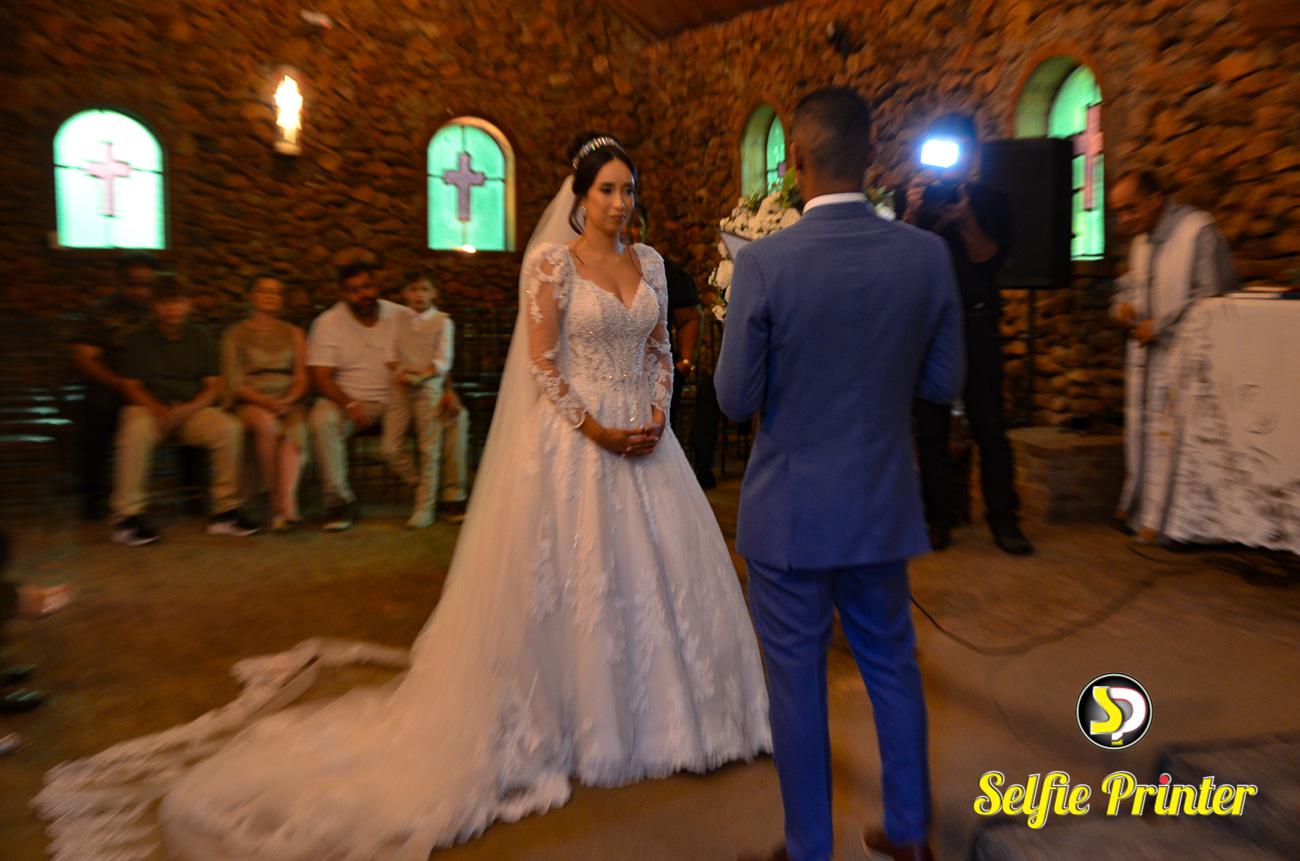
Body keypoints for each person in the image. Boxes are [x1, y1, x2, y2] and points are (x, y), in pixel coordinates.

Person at [38, 134, 770, 860]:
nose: (619, 202)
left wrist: (656, 411)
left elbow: (659, 348)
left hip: (646, 441)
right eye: (606, 189)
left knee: (655, 577)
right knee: (579, 579)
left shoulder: (648, 263)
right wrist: (598, 428)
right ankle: (583, 720)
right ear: (579, 196)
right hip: (581, 445)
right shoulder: (552, 264)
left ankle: (673, 716)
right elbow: (543, 364)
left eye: (628, 189)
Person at [719, 87, 962, 861]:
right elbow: (943, 380)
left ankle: (809, 846)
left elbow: (734, 398)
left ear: (795, 161)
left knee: (797, 684)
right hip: (881, 502)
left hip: (790, 513)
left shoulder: (764, 262)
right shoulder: (925, 255)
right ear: (873, 155)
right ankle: (911, 832)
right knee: (891, 664)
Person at [900, 113, 1033, 556]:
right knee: (930, 430)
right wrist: (915, 212)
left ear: (972, 155)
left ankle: (1004, 520)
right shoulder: (910, 197)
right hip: (927, 328)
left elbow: (987, 259)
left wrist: (964, 216)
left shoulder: (993, 201)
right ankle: (936, 519)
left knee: (990, 425)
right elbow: (902, 258)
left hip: (977, 322)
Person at [1109, 170, 1237, 535]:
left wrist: (1160, 326)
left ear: (1156, 200)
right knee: (1146, 432)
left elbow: (1212, 300)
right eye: (1119, 212)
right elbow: (1128, 288)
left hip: (1187, 358)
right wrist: (1122, 308)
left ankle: (1176, 524)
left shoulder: (1198, 232)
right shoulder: (1141, 242)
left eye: (1131, 208)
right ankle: (1144, 510)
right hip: (1148, 359)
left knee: (1179, 439)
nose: (1125, 219)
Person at [108, 275, 260, 546]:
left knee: (228, 428)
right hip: (148, 408)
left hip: (190, 409)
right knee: (134, 430)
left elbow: (213, 386)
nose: (172, 309)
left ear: (188, 304)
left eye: (178, 302)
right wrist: (157, 408)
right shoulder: (138, 338)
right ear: (154, 305)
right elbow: (130, 386)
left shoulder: (200, 337)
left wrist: (186, 410)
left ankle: (225, 512)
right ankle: (127, 517)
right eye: (165, 302)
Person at [306, 260, 404, 531]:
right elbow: (320, 376)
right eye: (354, 290)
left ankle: (451, 495)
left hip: (400, 400)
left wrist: (446, 390)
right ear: (343, 294)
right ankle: (338, 500)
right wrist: (348, 402)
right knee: (321, 419)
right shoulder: (327, 323)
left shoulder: (401, 315)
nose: (363, 294)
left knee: (454, 415)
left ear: (377, 285)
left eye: (367, 286)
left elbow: (433, 352)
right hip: (351, 401)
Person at [70, 253, 159, 520]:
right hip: (113, 384)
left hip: (155, 383)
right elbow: (85, 358)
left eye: (146, 284)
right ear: (120, 282)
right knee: (97, 409)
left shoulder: (162, 310)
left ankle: (195, 489)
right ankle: (94, 494)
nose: (140, 291)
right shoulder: (101, 311)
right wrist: (119, 384)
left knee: (185, 403)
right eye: (133, 283)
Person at [221, 276, 310, 532]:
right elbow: (234, 382)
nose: (271, 296)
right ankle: (276, 500)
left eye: (276, 292)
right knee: (267, 424)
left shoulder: (294, 333)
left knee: (293, 433)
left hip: (287, 398)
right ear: (251, 296)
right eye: (264, 291)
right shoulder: (235, 334)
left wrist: (289, 399)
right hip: (252, 398)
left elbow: (301, 377)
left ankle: (286, 505)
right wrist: (266, 402)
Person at [381, 271, 459, 529]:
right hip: (401, 385)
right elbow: (389, 354)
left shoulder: (443, 321)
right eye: (413, 290)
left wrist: (421, 376)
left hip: (429, 387)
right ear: (405, 293)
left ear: (433, 293)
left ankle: (424, 508)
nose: (418, 295)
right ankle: (420, 486)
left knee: (429, 449)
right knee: (390, 447)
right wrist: (401, 371)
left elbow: (443, 361)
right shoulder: (396, 319)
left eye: (424, 289)